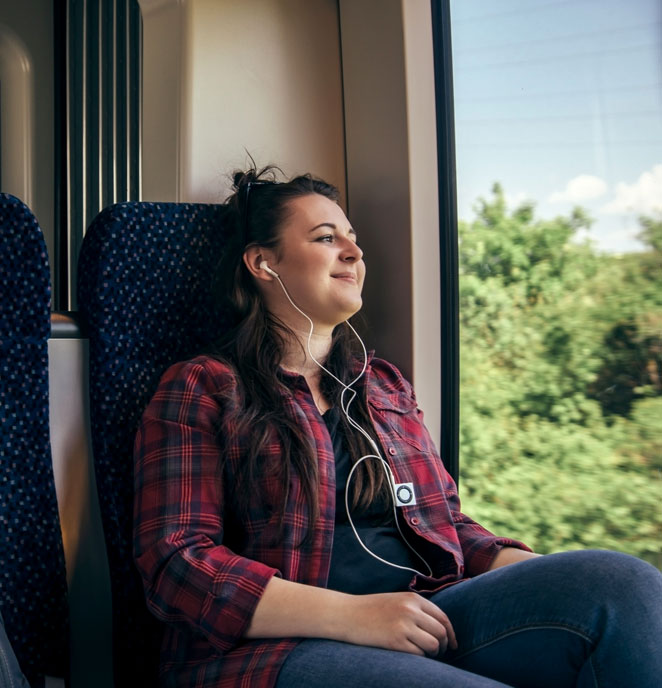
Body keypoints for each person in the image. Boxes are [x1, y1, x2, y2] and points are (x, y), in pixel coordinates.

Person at [132, 166, 662, 688]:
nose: (355, 253)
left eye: (353, 239)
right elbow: (178, 563)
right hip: (272, 650)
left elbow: (446, 524)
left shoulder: (383, 385)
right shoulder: (203, 386)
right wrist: (352, 616)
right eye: (325, 237)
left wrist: (534, 572)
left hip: (424, 611)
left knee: (622, 584)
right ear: (263, 263)